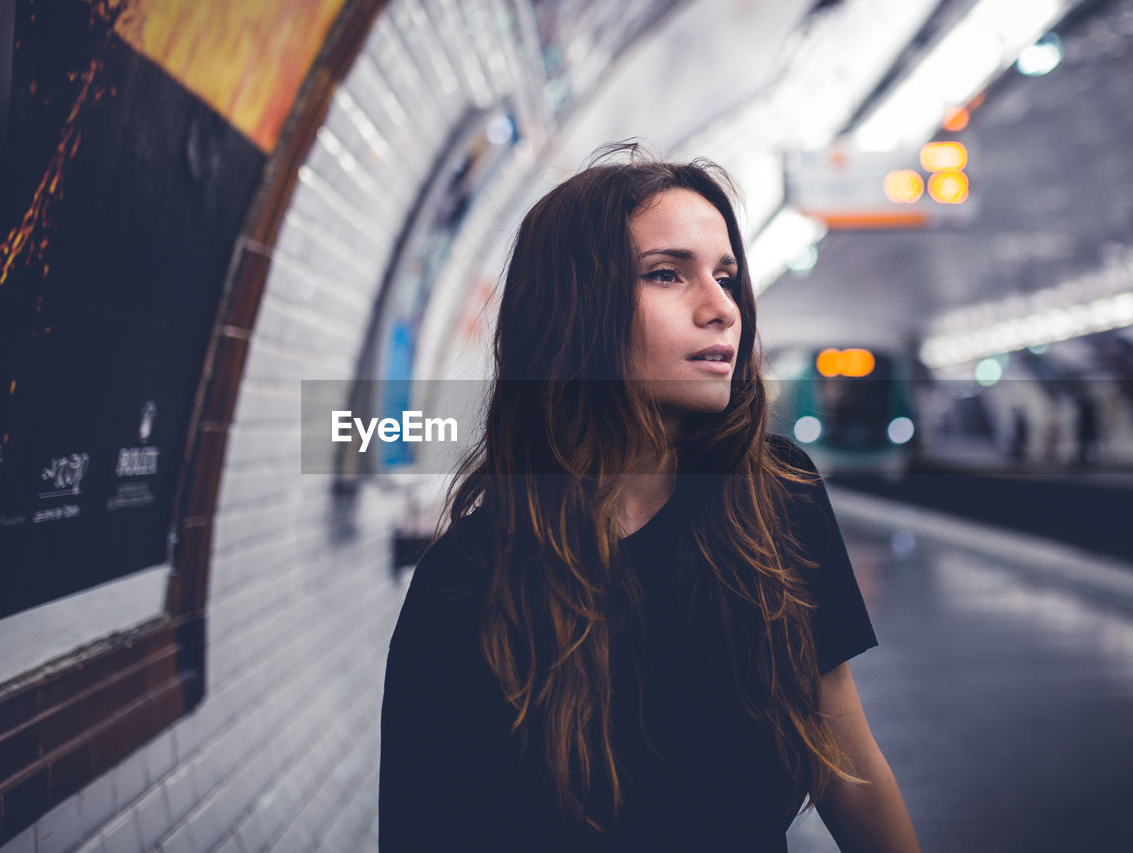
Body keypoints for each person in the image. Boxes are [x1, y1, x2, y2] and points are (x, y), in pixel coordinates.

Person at [378, 145, 920, 852]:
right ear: (577, 311)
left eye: (726, 277)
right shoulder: (466, 583)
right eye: (667, 274)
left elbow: (844, 763)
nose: (722, 308)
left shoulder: (776, 499)